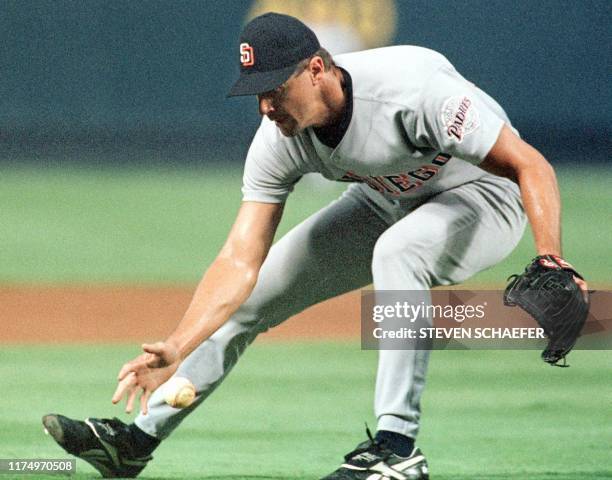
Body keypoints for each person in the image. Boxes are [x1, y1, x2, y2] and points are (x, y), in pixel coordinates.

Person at [42, 12, 588, 480]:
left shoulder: (412, 88)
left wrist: (550, 257)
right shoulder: (280, 139)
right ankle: (133, 445)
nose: (265, 106)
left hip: (484, 196)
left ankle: (397, 450)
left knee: (399, 253)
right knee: (248, 303)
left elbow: (529, 164)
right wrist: (179, 343)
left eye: (276, 88)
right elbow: (239, 259)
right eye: (257, 91)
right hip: (389, 201)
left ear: (318, 69)